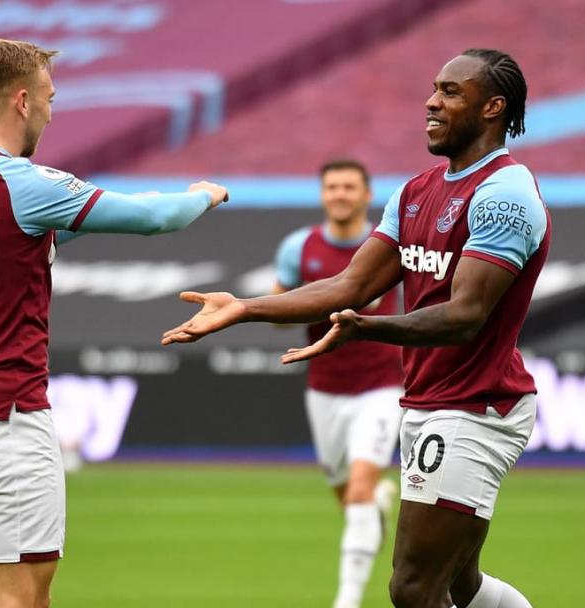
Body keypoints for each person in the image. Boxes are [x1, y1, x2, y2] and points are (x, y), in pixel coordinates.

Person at [163, 48, 546, 608]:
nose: (431, 101)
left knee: (413, 589)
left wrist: (368, 329)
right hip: (430, 400)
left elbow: (465, 316)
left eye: (450, 92)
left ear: (493, 108)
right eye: (434, 88)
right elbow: (346, 287)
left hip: (475, 407)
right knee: (461, 584)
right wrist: (244, 307)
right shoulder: (417, 192)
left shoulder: (505, 194)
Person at [0, 39, 228, 608]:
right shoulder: (23, 181)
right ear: (22, 101)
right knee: (23, 598)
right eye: (50, 99)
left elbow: (21, 237)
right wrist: (202, 194)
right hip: (1, 418)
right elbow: (154, 217)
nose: (53, 113)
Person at [272, 158, 404, 608]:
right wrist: (285, 305)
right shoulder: (299, 248)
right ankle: (377, 512)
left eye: (350, 187)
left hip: (384, 383)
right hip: (325, 387)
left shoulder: (388, 245)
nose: (340, 194)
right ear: (323, 194)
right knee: (349, 496)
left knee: (362, 486)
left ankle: (346, 601)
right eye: (333, 187)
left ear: (367, 195)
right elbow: (277, 314)